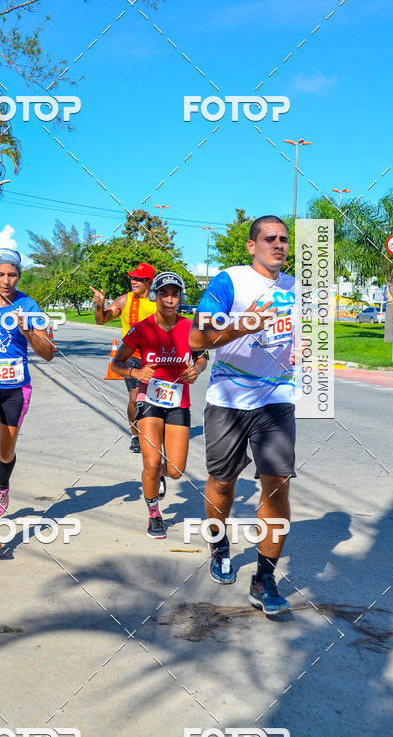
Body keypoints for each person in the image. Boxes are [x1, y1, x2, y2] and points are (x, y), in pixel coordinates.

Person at [189, 216, 296, 615]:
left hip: (277, 399)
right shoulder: (228, 281)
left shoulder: (296, 288)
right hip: (228, 398)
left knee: (277, 486)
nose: (279, 245)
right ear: (252, 246)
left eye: (284, 239)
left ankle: (264, 577)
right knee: (221, 482)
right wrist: (242, 325)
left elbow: (303, 338)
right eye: (270, 239)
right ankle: (219, 544)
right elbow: (197, 338)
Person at [0, 248, 54, 554]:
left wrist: (27, 331)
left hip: (17, 389)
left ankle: (2, 486)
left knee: (6, 454)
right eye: (0, 274)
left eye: (12, 274)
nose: (6, 280)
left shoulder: (29, 305)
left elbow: (48, 352)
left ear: (19, 276)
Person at [111, 271, 208, 538]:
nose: (169, 299)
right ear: (155, 296)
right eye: (163, 293)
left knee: (176, 470)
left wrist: (196, 370)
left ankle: (161, 477)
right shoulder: (142, 329)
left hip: (178, 402)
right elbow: (117, 363)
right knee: (151, 462)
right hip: (149, 400)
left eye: (174, 294)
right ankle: (154, 514)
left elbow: (202, 358)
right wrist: (136, 374)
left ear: (180, 298)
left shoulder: (190, 328)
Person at [91, 262, 156, 453]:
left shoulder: (158, 300)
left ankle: (156, 432)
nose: (133, 281)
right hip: (132, 355)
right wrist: (99, 305)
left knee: (155, 399)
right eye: (133, 277)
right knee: (135, 398)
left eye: (139, 278)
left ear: (149, 281)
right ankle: (136, 435)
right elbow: (101, 319)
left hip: (156, 357)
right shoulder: (124, 300)